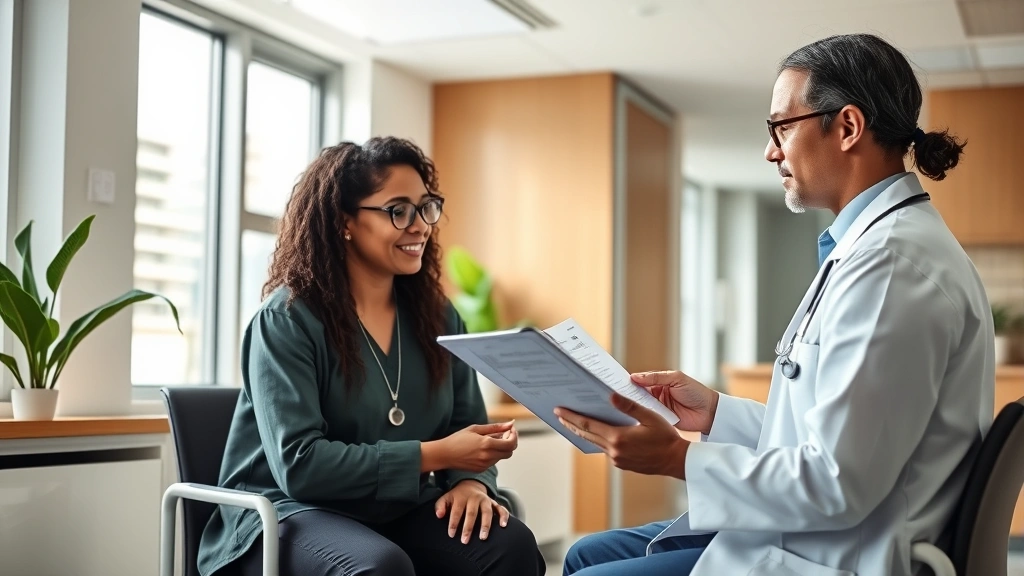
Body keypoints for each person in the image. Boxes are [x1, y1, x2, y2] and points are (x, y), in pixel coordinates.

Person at [558, 33, 995, 576]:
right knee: (584, 553)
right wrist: (716, 412)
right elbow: (831, 432)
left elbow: (838, 483)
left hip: (848, 554)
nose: (770, 151)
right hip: (820, 531)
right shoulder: (871, 249)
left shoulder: (891, 267)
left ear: (848, 127)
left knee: (591, 571)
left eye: (780, 127)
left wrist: (677, 459)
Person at [198, 136, 546, 576]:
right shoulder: (288, 320)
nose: (420, 225)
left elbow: (467, 426)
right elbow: (300, 466)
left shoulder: (438, 317)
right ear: (345, 222)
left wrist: (472, 482)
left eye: (426, 207)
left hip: (394, 511)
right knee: (379, 568)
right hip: (286, 514)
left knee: (509, 546)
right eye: (398, 210)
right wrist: (436, 455)